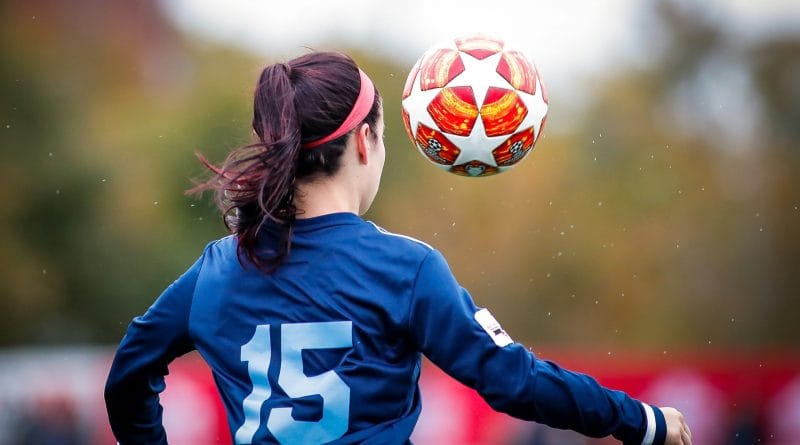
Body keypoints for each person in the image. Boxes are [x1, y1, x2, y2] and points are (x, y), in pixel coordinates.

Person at [104, 51, 692, 445]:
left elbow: (128, 373)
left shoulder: (216, 269)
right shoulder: (404, 268)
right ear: (365, 142)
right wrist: (639, 420)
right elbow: (511, 379)